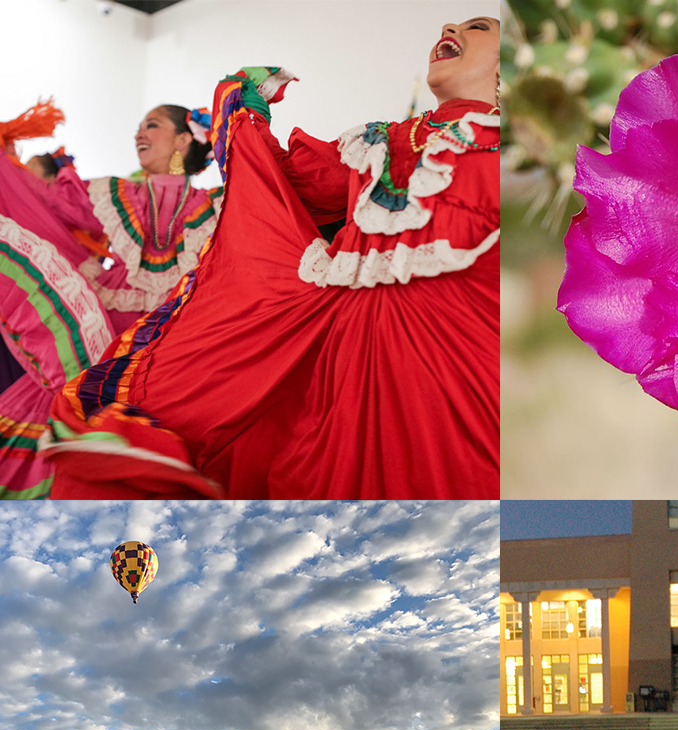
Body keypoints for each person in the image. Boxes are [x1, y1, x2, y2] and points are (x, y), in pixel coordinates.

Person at [47, 18, 500, 501]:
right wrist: (244, 113)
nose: (452, 26)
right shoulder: (380, 143)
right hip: (351, 379)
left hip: (461, 373)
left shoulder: (515, 156)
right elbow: (278, 183)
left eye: (479, 27)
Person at [0, 101, 219, 499]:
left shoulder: (214, 205)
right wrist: (5, 163)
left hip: (177, 334)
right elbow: (46, 200)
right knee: (82, 400)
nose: (140, 133)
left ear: (184, 139)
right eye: (138, 126)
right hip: (109, 328)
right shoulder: (115, 193)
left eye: (151, 125)